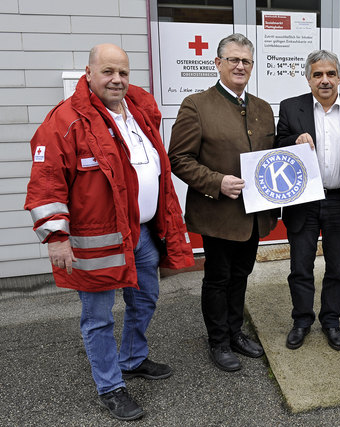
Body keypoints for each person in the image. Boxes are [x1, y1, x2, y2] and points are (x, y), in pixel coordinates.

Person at [24, 43, 194, 421]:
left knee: (146, 298)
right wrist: (56, 236)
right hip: (95, 242)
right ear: (88, 73)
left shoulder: (137, 111)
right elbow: (46, 182)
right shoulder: (65, 121)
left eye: (123, 73)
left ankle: (132, 359)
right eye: (108, 72)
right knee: (98, 318)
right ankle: (110, 386)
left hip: (142, 233)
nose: (117, 80)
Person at [168, 34, 277, 372]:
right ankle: (218, 341)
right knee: (218, 278)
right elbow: (179, 158)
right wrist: (217, 181)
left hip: (254, 214)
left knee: (241, 273)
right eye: (233, 60)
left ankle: (235, 331)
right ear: (218, 64)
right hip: (218, 214)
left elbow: (270, 157)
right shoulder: (196, 105)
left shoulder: (261, 108)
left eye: (245, 61)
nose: (240, 66)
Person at [276, 50, 340, 352]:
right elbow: (275, 146)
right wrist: (293, 141)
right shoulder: (291, 109)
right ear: (308, 78)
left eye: (330, 74)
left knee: (338, 268)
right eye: (317, 74)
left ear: (339, 77)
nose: (324, 80)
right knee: (300, 266)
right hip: (303, 202)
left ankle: (331, 320)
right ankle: (302, 321)